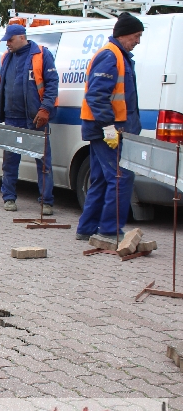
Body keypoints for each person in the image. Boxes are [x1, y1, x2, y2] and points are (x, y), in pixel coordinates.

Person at [76, 12, 144, 240]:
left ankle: (86, 229)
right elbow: (97, 96)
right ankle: (109, 230)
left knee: (101, 178)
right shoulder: (110, 56)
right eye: (136, 36)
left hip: (106, 129)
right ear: (124, 35)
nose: (138, 41)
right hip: (107, 130)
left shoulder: (117, 55)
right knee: (120, 177)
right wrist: (107, 127)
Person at [0, 24, 59, 214]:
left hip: (36, 118)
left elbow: (52, 84)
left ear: (21, 37)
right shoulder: (7, 58)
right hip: (12, 118)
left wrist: (45, 109)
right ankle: (9, 198)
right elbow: (1, 86)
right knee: (10, 161)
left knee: (43, 161)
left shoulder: (42, 55)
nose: (7, 45)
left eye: (10, 40)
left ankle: (46, 202)